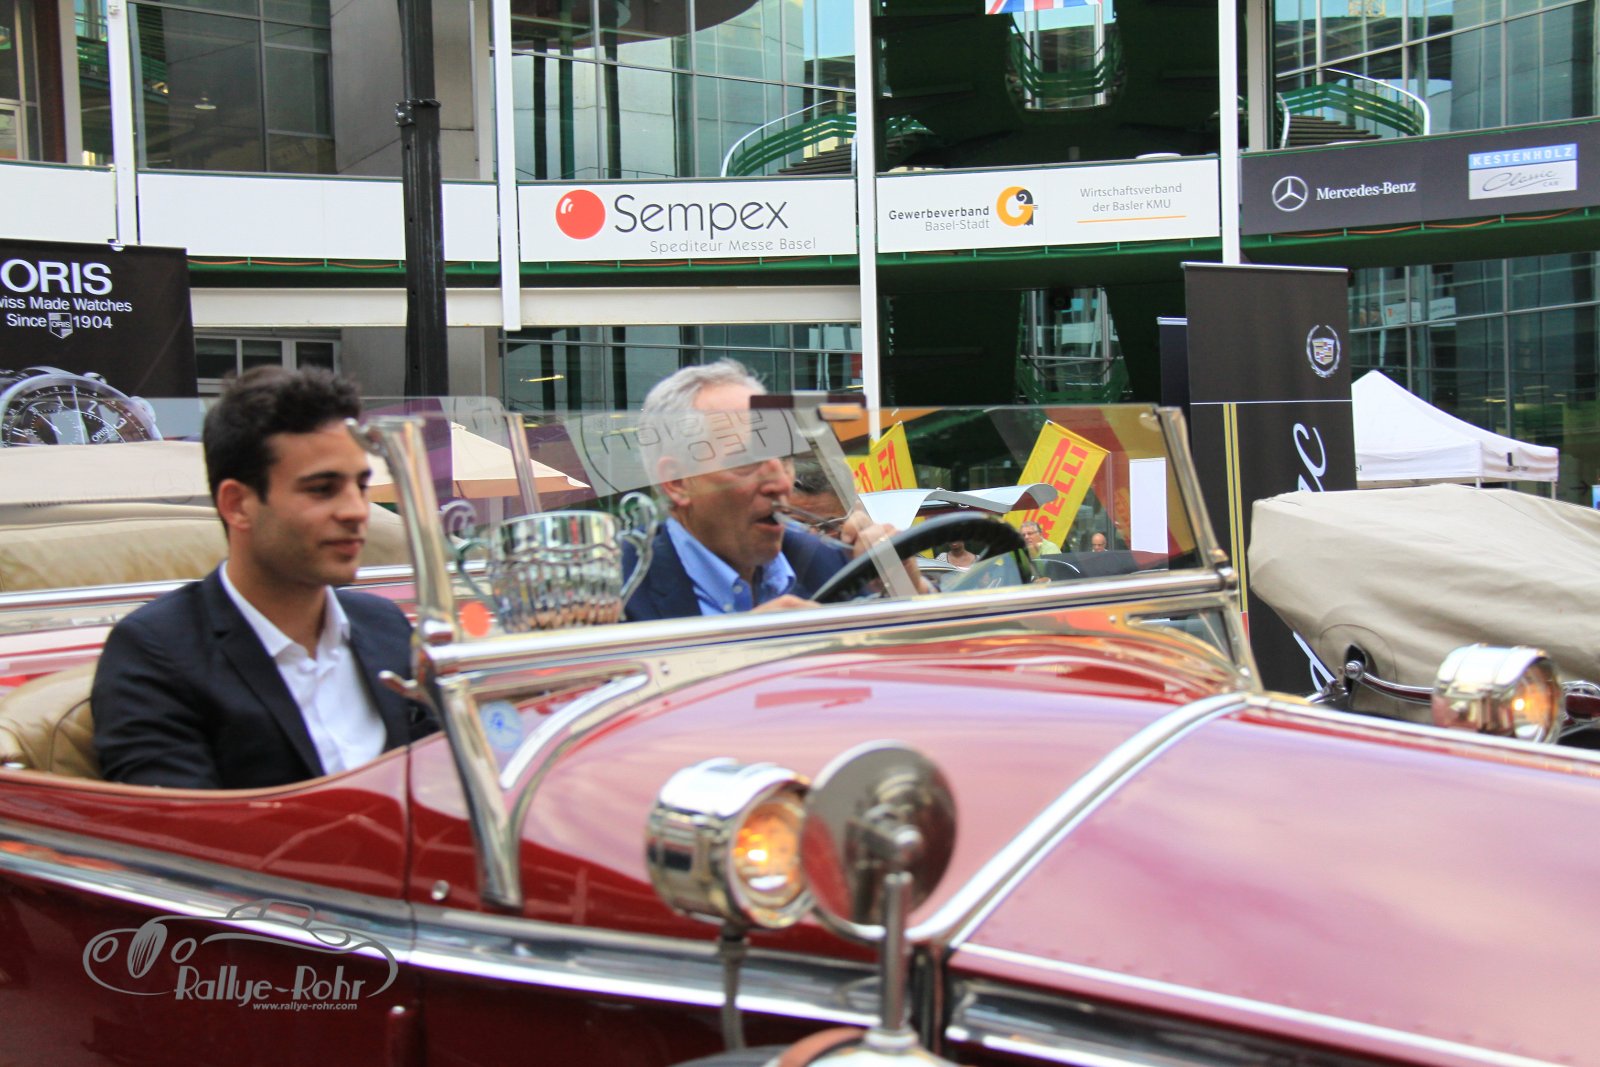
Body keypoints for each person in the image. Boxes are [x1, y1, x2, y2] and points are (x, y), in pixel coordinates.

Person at [92, 367, 434, 789]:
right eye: (321, 489)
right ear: (237, 505)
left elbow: (444, 778)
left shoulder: (386, 625)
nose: (356, 511)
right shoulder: (154, 652)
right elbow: (178, 824)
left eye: (360, 486)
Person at [623, 360, 916, 621]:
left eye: (785, 459)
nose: (782, 484)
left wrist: (907, 587)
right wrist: (746, 647)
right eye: (747, 461)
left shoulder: (827, 560)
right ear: (677, 481)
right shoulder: (616, 591)